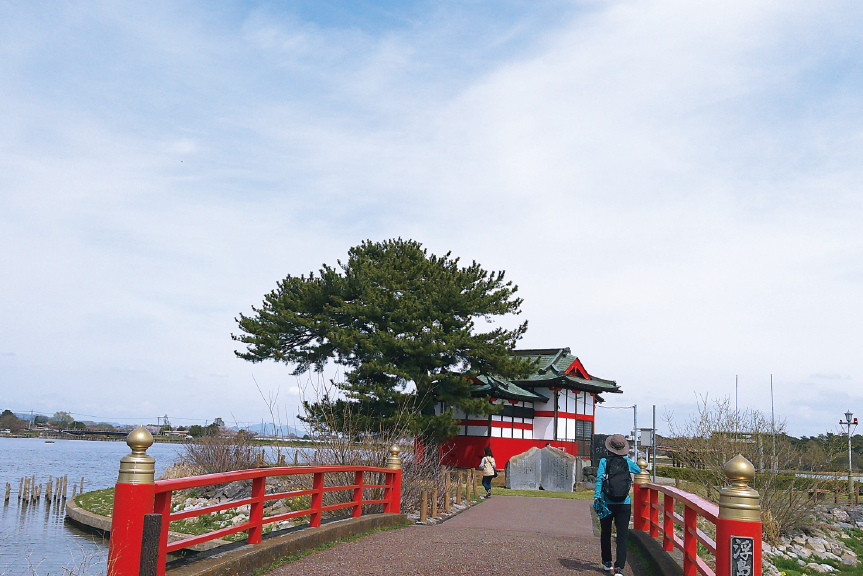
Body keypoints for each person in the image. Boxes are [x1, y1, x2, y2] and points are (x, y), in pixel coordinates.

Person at [593, 434, 642, 576]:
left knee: (605, 533)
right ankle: (619, 568)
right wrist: (625, 459)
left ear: (610, 448)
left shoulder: (604, 461)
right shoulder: (626, 462)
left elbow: (599, 480)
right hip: (624, 503)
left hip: (606, 502)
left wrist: (597, 496)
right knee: (622, 535)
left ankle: (607, 562)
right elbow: (638, 470)